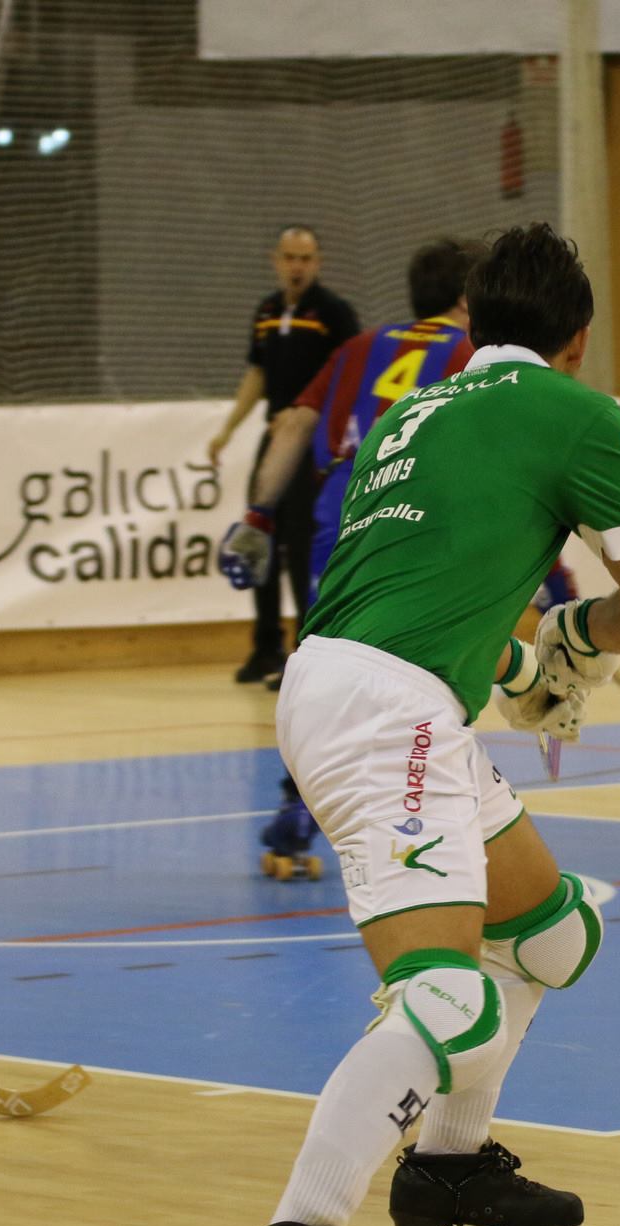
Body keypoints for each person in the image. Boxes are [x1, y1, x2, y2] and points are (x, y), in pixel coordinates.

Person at [220, 224, 620, 1226]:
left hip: (356, 682)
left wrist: (518, 663)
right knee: (445, 1001)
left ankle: (449, 1168)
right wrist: (573, 640)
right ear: (578, 339)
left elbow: (430, 589)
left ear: (470, 328)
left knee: (546, 935)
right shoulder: (580, 413)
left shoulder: (411, 416)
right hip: (390, 714)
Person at [219, 238, 481, 883]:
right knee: (415, 683)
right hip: (413, 533)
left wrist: (257, 515)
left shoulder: (358, 347)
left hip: (336, 525)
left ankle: (299, 805)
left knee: (326, 674)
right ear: (466, 297)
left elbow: (292, 426)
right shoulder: (474, 357)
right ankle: (416, 829)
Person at [207, 225, 359, 685]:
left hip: (310, 446)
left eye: (305, 258)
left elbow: (349, 378)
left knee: (301, 544)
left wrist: (308, 418)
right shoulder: (267, 311)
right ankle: (265, 647)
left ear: (318, 263)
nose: (297, 266)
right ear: (275, 260)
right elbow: (257, 373)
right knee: (259, 537)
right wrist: (228, 429)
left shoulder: (334, 314)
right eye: (290, 257)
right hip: (273, 442)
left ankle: (303, 648)